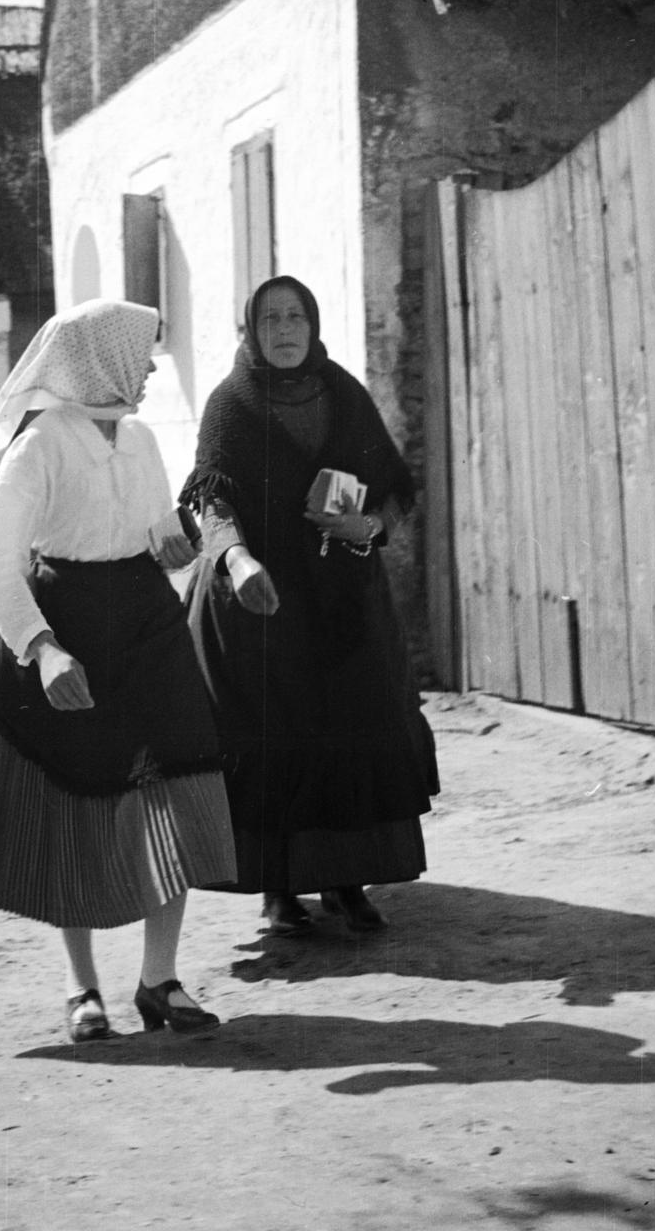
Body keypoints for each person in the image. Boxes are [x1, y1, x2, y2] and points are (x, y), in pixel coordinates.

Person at [0, 300, 236, 1042]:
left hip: (145, 627)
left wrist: (174, 545)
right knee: (72, 804)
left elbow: (150, 534)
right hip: (67, 626)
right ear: (99, 361)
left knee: (176, 790)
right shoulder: (39, 445)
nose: (147, 369)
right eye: (138, 355)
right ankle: (83, 991)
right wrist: (43, 650)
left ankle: (159, 979)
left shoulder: (141, 440)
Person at [179, 275, 439, 937]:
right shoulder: (230, 406)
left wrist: (369, 529)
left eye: (296, 316)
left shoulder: (343, 393)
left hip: (343, 604)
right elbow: (212, 503)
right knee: (273, 741)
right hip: (260, 605)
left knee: (348, 734)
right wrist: (236, 562)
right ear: (251, 330)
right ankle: (277, 890)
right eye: (271, 319)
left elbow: (390, 487)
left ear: (312, 323)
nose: (285, 329)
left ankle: (346, 883)